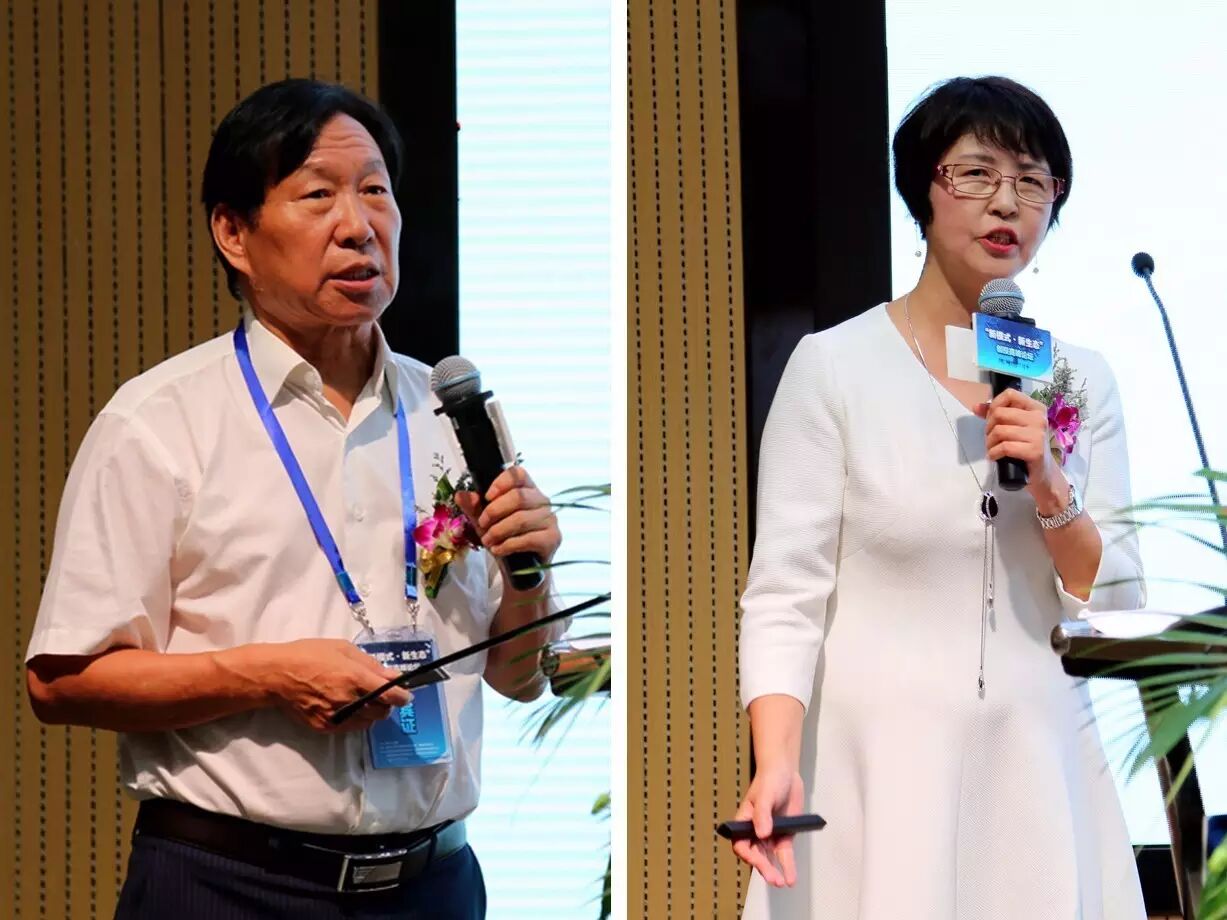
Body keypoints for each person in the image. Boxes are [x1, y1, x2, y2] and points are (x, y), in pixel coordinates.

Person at [24, 78, 563, 920]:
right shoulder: (158, 421)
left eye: (375, 191)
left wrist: (531, 577)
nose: (358, 225)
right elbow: (63, 683)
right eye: (318, 196)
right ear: (233, 232)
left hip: (435, 887)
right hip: (229, 885)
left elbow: (519, 679)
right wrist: (268, 676)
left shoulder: (452, 413)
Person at [732, 76, 1147, 919]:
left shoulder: (1079, 379)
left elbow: (1111, 597)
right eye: (976, 173)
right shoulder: (834, 367)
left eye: (1032, 181)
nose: (1007, 203)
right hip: (878, 767)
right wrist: (773, 760)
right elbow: (784, 594)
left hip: (1037, 759)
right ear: (922, 188)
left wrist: (1049, 481)